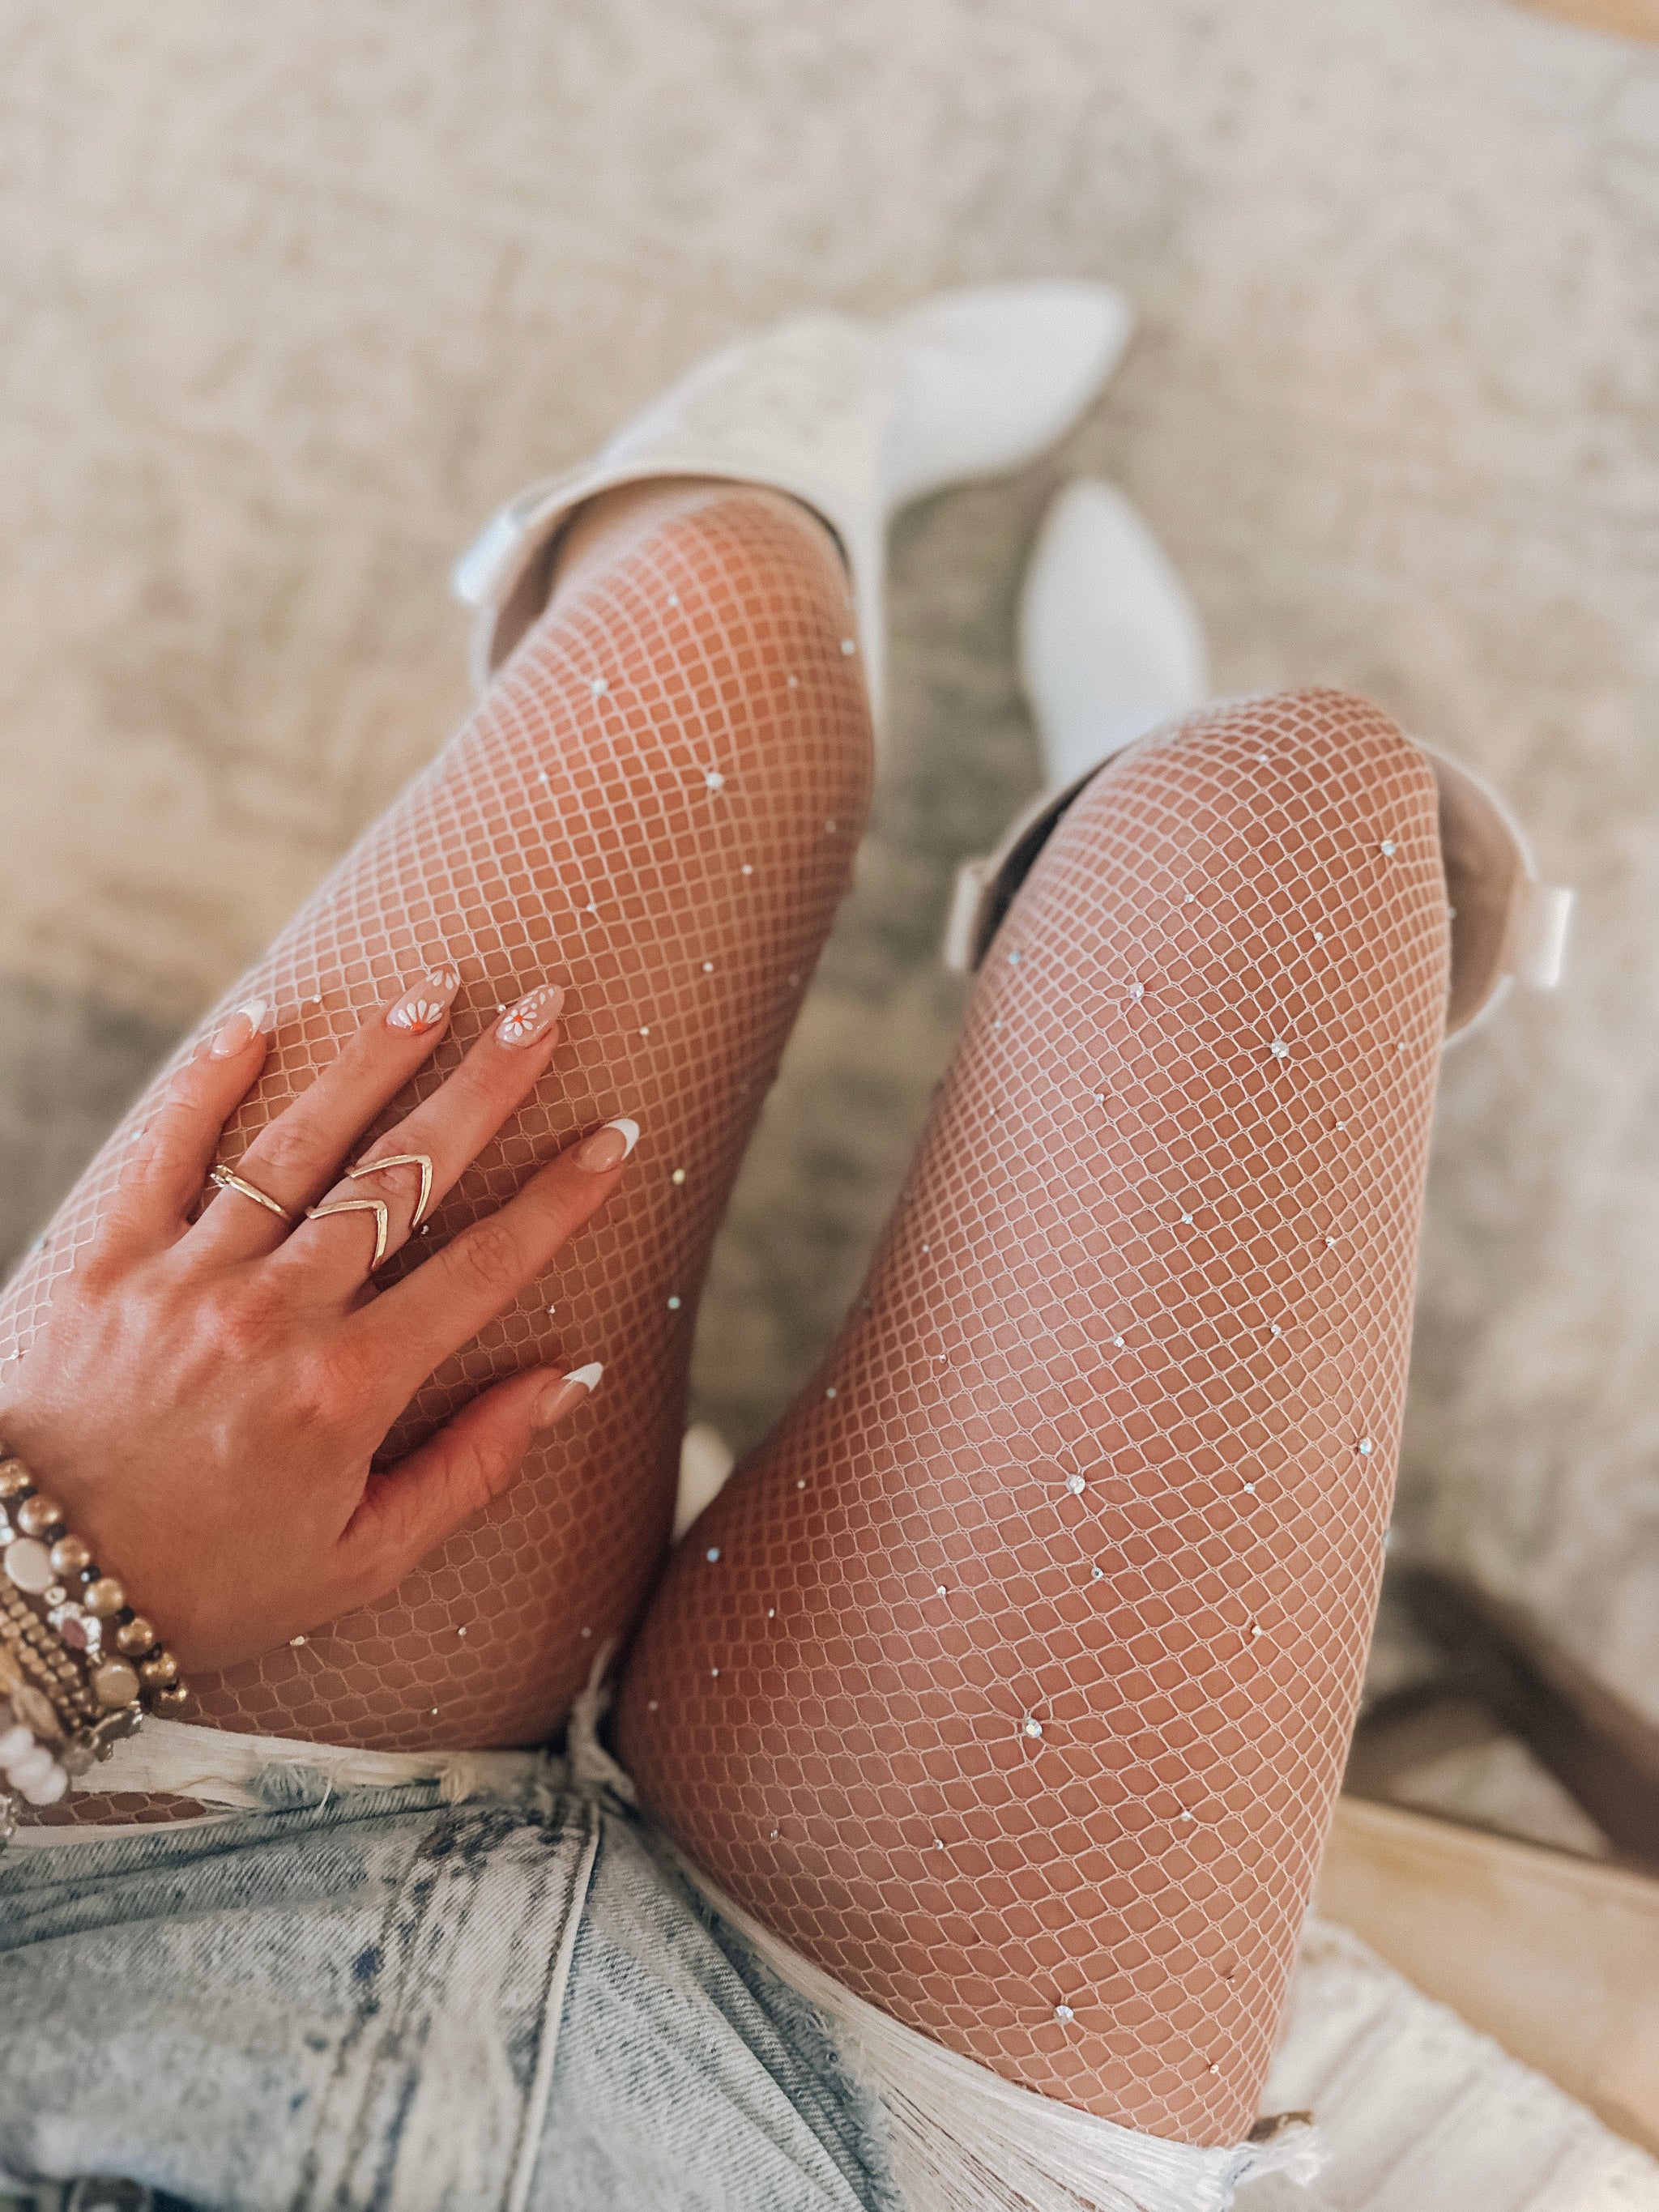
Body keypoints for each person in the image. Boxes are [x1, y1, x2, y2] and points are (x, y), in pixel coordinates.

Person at [0, 289, 1567, 2212]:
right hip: (879, 2158)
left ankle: (761, 457)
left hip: (123, 1851)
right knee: (1299, 821)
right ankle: (1085, 896)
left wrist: (54, 1571)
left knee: (724, 620)